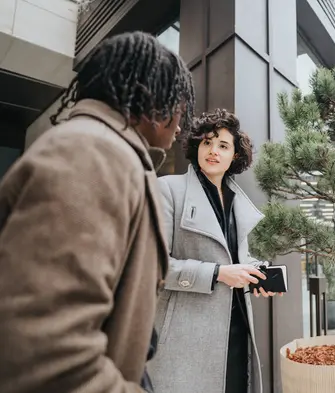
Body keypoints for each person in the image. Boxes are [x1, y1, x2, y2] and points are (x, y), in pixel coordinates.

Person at [0, 31, 195, 393]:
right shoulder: (92, 155)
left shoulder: (107, 153)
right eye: (178, 106)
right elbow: (47, 352)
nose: (180, 124)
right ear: (152, 101)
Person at [149, 109, 279, 393]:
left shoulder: (235, 201)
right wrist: (218, 273)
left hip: (235, 327)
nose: (213, 151)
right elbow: (153, 267)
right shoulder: (168, 189)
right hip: (185, 335)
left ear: (234, 155)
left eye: (223, 145)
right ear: (196, 145)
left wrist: (254, 274)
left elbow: (232, 258)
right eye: (207, 142)